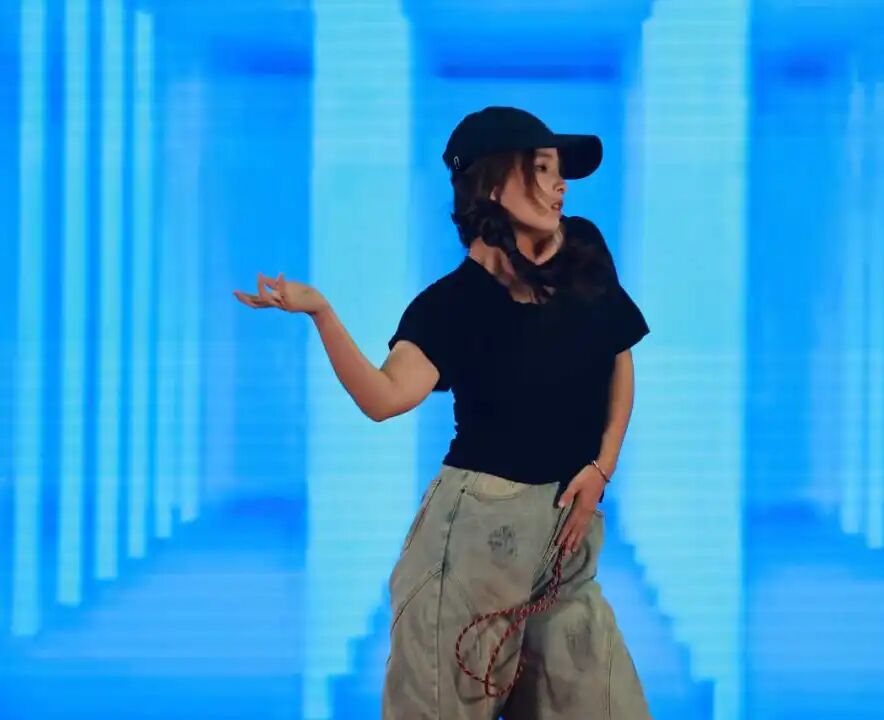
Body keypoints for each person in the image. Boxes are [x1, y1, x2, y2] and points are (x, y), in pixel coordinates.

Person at [234, 106, 652, 719]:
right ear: (491, 185)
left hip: (566, 541)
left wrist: (602, 465)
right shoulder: (450, 307)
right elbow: (384, 398)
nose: (561, 185)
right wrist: (322, 313)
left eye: (560, 171)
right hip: (474, 543)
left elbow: (619, 355)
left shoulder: (581, 252)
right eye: (541, 169)